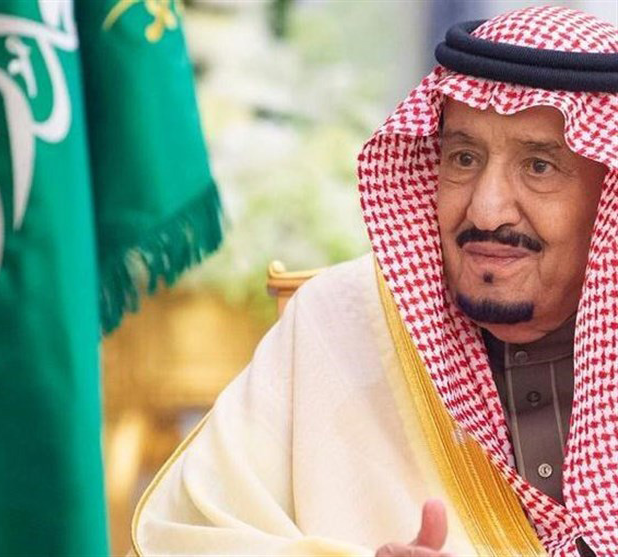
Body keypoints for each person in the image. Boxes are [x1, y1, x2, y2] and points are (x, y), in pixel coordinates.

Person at [131, 6, 618, 557]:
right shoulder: (339, 322)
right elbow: (182, 538)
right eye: (463, 158)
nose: (485, 211)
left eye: (538, 167)